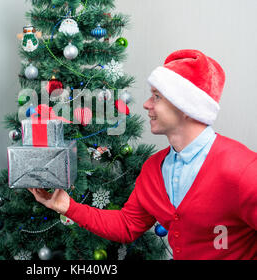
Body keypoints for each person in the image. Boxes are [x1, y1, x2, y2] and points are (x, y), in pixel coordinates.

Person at [29, 49, 257, 260]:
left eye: (157, 96)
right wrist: (68, 206)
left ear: (186, 107)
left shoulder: (242, 170)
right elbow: (127, 225)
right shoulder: (154, 169)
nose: (147, 104)